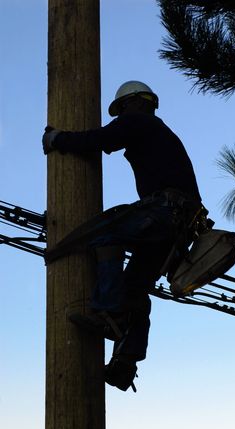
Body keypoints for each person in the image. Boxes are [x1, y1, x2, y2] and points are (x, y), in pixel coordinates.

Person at [43, 80, 203, 392]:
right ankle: (124, 363)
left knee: (105, 235)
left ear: (137, 103)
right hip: (176, 226)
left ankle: (109, 311)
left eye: (122, 110)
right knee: (135, 290)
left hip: (164, 213)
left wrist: (57, 138)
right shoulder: (159, 133)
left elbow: (100, 139)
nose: (120, 117)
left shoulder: (140, 121)